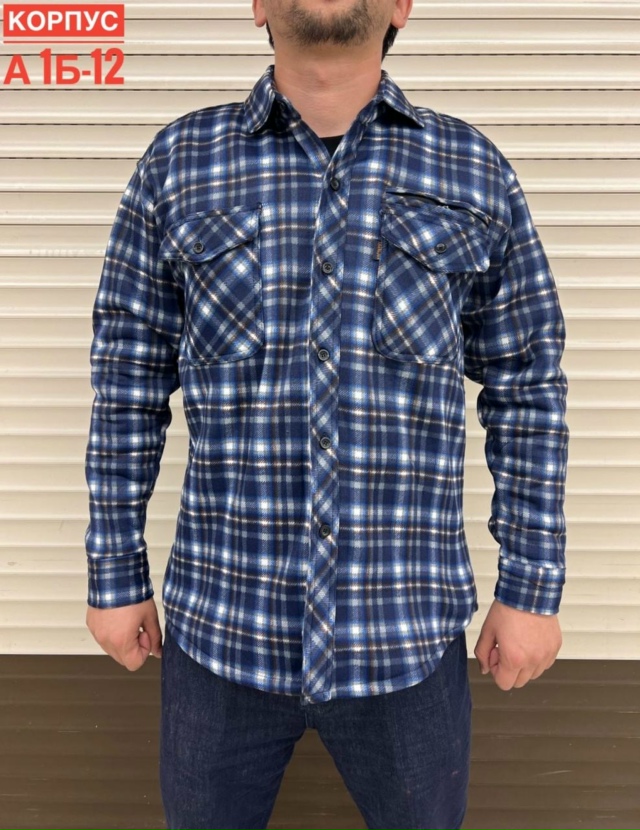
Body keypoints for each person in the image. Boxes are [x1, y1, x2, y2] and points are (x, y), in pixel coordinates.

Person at [84, 0, 570, 827]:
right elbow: (128, 375)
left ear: (403, 6)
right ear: (257, 6)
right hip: (222, 633)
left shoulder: (472, 170)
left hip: (407, 639)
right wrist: (114, 573)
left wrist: (531, 586)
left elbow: (526, 383)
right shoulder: (179, 162)